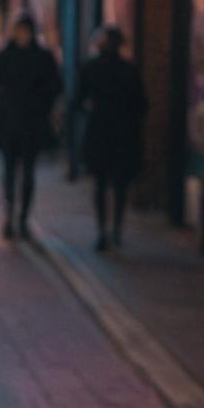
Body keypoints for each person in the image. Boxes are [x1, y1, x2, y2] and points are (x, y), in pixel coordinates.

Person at [0, 15, 61, 240]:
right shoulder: (4, 56)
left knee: (28, 172)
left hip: (32, 122)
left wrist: (39, 103)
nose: (21, 35)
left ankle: (23, 219)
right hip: (9, 122)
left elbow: (55, 86)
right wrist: (4, 98)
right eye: (18, 30)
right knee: (8, 171)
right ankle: (9, 216)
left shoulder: (43, 57)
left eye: (25, 31)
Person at [75, 26, 148, 252]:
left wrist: (91, 110)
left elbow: (78, 100)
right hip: (124, 135)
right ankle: (116, 228)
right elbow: (142, 105)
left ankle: (102, 231)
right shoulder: (130, 70)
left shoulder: (92, 68)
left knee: (100, 184)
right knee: (120, 186)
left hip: (100, 132)